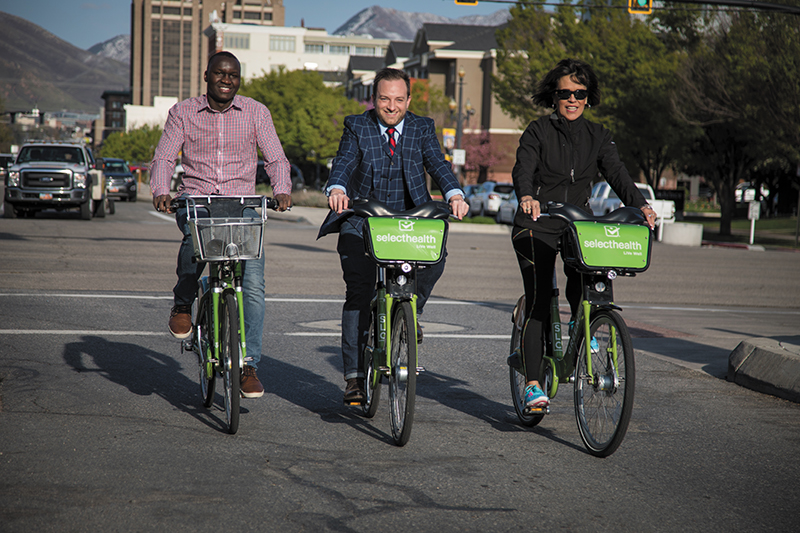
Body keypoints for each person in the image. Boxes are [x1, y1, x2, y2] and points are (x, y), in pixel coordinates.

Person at [511, 58, 656, 412]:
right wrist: (527, 196)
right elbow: (523, 169)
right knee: (540, 295)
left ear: (588, 97)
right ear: (554, 96)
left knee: (591, 285)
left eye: (580, 92)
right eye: (565, 93)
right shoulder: (537, 131)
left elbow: (619, 175)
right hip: (537, 223)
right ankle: (532, 385)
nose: (572, 99)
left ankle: (585, 329)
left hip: (578, 224)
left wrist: (642, 206)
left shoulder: (599, 136)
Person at [318, 67, 470, 405]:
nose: (392, 106)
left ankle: (409, 312)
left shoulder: (422, 127)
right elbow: (344, 161)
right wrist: (338, 187)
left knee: (436, 256)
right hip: (363, 218)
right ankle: (355, 378)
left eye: (399, 99)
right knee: (358, 292)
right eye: (385, 99)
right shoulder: (357, 126)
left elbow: (438, 163)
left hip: (409, 220)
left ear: (408, 100)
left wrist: (455, 194)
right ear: (374, 100)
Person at [150, 51, 292, 399]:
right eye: (220, 74)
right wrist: (160, 190)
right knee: (192, 249)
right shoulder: (182, 112)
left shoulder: (257, 112)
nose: (226, 80)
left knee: (254, 284)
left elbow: (274, 156)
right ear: (206, 75)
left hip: (243, 205)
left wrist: (282, 189)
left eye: (233, 75)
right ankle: (183, 302)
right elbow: (166, 156)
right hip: (197, 201)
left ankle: (247, 365)